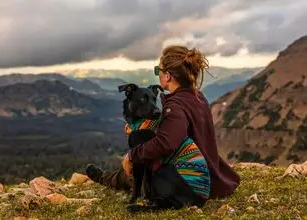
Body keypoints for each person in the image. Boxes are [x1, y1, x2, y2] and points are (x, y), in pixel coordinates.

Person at [86, 45, 240, 211]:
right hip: (207, 171)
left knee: (137, 161)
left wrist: (131, 156)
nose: (158, 74)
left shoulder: (175, 105)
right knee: (141, 153)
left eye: (157, 70)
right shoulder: (197, 96)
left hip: (187, 178)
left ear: (167, 76)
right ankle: (109, 178)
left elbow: (167, 142)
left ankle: (107, 178)